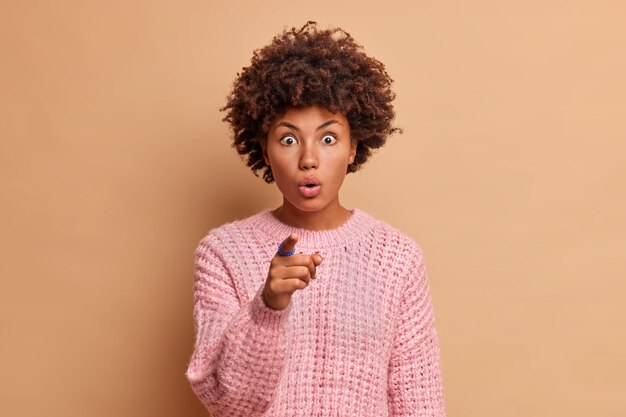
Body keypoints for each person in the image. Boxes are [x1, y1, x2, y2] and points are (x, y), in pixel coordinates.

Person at [185, 21, 447, 417]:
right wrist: (268, 306)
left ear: (354, 147)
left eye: (328, 139)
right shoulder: (222, 253)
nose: (309, 159)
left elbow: (419, 403)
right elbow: (229, 403)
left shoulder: (397, 258)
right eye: (289, 139)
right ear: (264, 148)